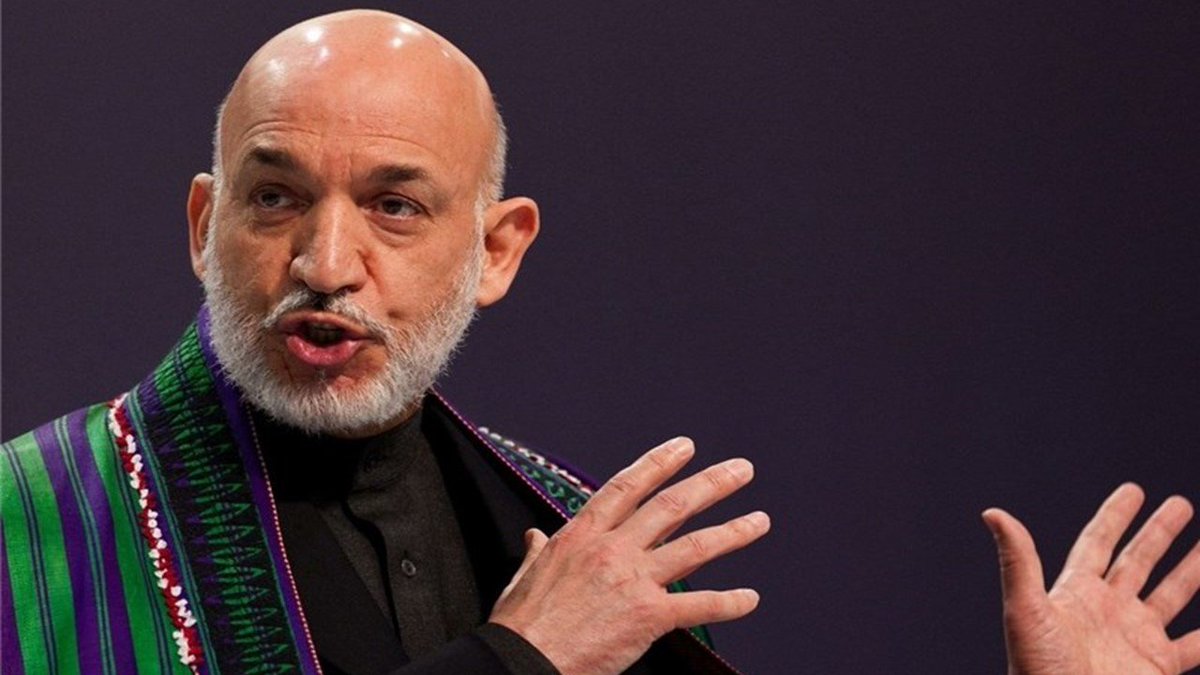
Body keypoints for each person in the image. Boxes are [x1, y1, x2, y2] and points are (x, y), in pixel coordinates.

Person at [1, 9, 1198, 675]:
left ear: (497, 251)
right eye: (274, 199)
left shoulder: (571, 538)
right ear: (204, 225)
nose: (324, 262)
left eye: (396, 206)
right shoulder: (32, 524)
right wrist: (519, 664)